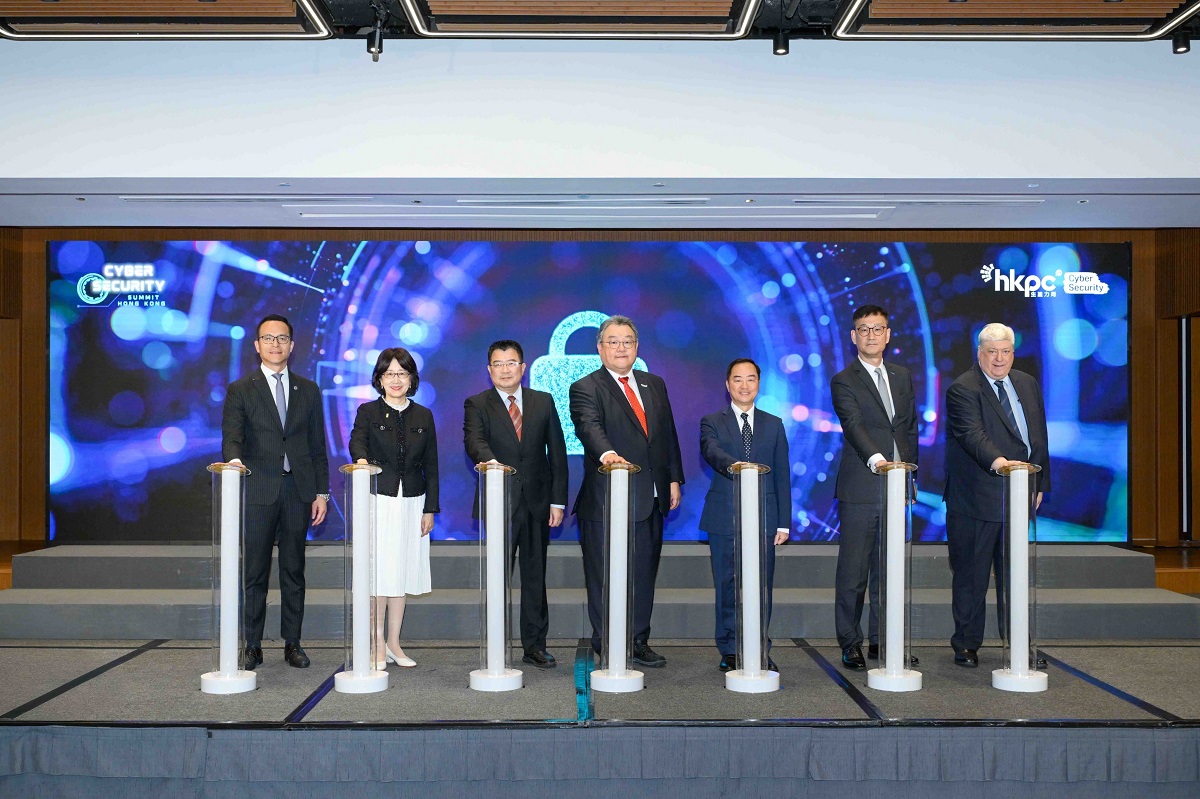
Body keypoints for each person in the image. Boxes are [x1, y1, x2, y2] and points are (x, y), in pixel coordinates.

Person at [569, 315, 684, 667]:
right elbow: (588, 427)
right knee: (604, 576)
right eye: (613, 342)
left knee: (643, 574)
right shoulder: (585, 387)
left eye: (628, 341)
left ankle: (638, 640)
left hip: (651, 497)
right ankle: (608, 641)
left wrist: (673, 478)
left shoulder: (654, 384)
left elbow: (666, 435)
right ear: (600, 347)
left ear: (637, 347)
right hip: (606, 498)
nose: (621, 348)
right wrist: (609, 456)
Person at [221, 314, 330, 671]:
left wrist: (322, 492)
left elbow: (317, 446)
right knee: (254, 571)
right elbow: (232, 437)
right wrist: (234, 462)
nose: (275, 344)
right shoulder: (241, 389)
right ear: (257, 346)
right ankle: (252, 645)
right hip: (258, 490)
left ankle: (292, 643)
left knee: (293, 571)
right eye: (268, 338)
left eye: (282, 338)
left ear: (292, 345)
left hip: (298, 491)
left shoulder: (308, 389)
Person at [944, 323, 1051, 668]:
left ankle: (1019, 644)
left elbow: (1037, 435)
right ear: (980, 353)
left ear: (1013, 353)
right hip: (976, 498)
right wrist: (1001, 464)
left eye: (1006, 351)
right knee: (972, 576)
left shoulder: (1027, 383)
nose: (999, 359)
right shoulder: (963, 388)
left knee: (1015, 576)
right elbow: (971, 434)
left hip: (1020, 493)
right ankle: (966, 644)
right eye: (992, 352)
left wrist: (1040, 482)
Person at [463, 339, 569, 669]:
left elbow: (558, 453)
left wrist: (558, 501)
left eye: (511, 363)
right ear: (489, 370)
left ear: (523, 368)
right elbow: (474, 441)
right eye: (498, 363)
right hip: (499, 501)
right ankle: (496, 643)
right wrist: (491, 462)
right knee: (497, 576)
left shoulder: (543, 401)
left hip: (538, 502)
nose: (505, 369)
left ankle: (535, 645)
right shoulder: (477, 403)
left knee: (535, 577)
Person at [829, 304, 919, 671]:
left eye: (877, 329)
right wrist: (879, 461)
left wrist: (908, 477)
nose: (871, 335)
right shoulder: (844, 380)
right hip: (862, 486)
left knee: (889, 570)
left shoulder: (902, 376)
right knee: (854, 573)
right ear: (854, 336)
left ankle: (884, 641)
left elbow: (908, 428)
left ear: (888, 335)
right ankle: (850, 642)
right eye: (864, 329)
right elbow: (853, 426)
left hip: (898, 486)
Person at [699, 358, 791, 673]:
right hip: (724, 515)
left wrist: (783, 521)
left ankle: (759, 647)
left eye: (750, 379)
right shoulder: (712, 421)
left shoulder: (774, 424)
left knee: (761, 586)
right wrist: (736, 466)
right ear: (728, 385)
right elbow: (710, 451)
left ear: (758, 384)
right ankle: (729, 648)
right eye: (737, 379)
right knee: (727, 584)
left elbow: (782, 475)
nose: (744, 385)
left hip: (765, 516)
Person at [349, 347, 439, 669]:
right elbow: (357, 441)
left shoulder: (423, 415)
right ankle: (375, 643)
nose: (396, 379)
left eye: (402, 373)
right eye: (389, 374)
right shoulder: (368, 412)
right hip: (379, 499)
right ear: (380, 378)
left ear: (412, 378)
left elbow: (432, 465)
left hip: (412, 501)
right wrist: (361, 460)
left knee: (401, 572)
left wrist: (430, 508)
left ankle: (393, 643)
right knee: (379, 574)